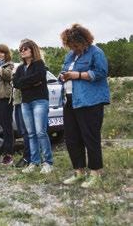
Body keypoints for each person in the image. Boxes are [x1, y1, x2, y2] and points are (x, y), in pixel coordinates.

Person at [60, 24, 110, 188]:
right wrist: (63, 76)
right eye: (70, 45)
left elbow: (101, 72)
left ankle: (96, 173)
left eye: (75, 44)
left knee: (90, 137)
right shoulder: (70, 56)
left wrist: (78, 75)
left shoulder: (96, 52)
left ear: (83, 40)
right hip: (70, 101)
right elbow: (64, 70)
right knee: (72, 138)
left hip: (90, 101)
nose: (73, 48)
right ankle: (79, 172)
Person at [13, 39, 54, 174]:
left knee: (40, 132)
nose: (22, 51)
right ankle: (34, 162)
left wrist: (26, 82)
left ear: (32, 50)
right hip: (26, 102)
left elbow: (39, 77)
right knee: (31, 134)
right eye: (21, 50)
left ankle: (47, 162)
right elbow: (16, 83)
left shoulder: (39, 64)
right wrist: (30, 82)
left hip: (40, 101)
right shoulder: (20, 68)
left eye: (25, 49)